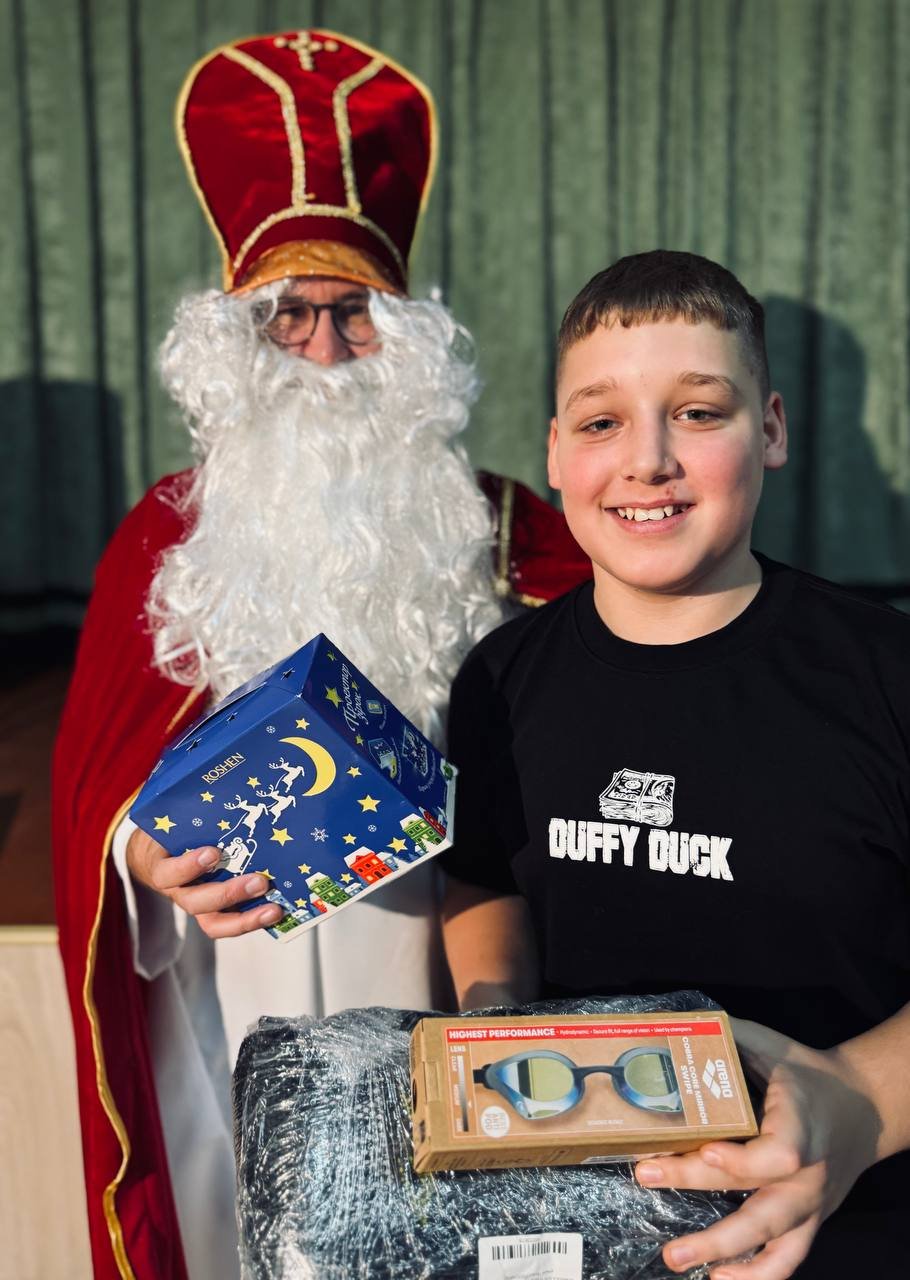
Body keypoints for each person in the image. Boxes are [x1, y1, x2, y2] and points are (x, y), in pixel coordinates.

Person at [52, 30, 590, 1280]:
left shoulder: (510, 531)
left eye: (353, 313)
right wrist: (142, 854)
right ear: (235, 340)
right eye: (286, 315)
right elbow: (93, 787)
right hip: (223, 987)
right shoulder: (165, 533)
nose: (324, 350)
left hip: (447, 980)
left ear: (405, 337)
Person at [440, 250, 910, 1279]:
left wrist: (863, 1097)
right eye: (601, 422)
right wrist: (495, 1024)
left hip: (852, 1233)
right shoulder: (500, 679)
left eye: (698, 412)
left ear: (770, 430)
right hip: (578, 1232)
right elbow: (482, 874)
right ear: (555, 451)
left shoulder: (885, 673)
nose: (647, 459)